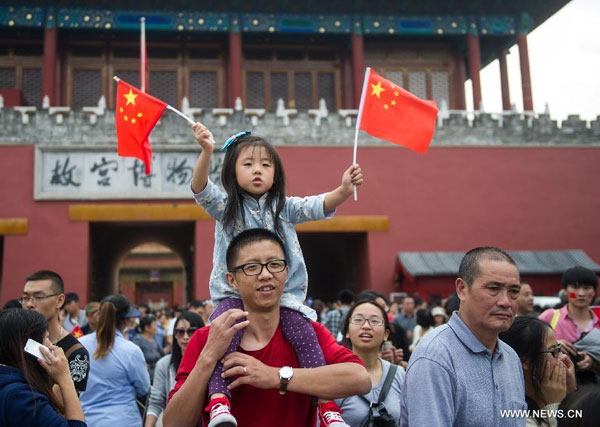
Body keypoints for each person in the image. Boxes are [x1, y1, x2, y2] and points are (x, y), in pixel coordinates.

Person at [189, 124, 364, 426]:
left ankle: (327, 407)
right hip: (233, 297)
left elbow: (316, 206)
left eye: (265, 165)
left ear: (276, 173)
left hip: (284, 297)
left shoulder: (284, 207)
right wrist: (206, 151)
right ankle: (219, 401)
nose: (257, 171)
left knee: (306, 338)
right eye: (248, 164)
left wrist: (344, 190)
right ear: (232, 173)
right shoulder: (226, 207)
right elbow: (200, 190)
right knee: (223, 340)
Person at [164, 228, 371, 427]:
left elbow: (360, 379)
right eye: (252, 267)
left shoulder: (308, 334)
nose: (265, 274)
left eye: (274, 264)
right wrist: (209, 356)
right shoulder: (206, 338)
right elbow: (174, 423)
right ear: (232, 280)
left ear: (286, 272)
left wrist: (274, 376)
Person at [401, 246, 526, 426]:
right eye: (493, 288)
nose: (506, 302)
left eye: (513, 291)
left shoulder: (511, 358)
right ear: (461, 289)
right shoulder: (435, 357)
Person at [0, 308, 86, 426]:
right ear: (31, 345)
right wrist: (66, 379)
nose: (51, 345)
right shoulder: (22, 398)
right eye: (46, 338)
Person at [79, 294, 150, 427]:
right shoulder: (131, 350)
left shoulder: (80, 345)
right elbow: (143, 388)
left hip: (87, 419)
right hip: (124, 420)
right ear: (126, 320)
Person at [335, 300, 405, 426]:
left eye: (374, 321)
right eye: (358, 320)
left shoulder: (398, 374)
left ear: (386, 334)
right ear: (347, 331)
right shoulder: (334, 375)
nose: (366, 326)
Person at [20, 270, 90, 393]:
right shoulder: (13, 339)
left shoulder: (75, 352)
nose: (29, 304)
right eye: (25, 298)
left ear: (60, 301)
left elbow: (64, 406)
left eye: (39, 297)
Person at [500, 316, 577, 426]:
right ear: (526, 361)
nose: (562, 358)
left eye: (559, 349)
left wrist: (570, 394)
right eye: (553, 351)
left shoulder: (548, 400)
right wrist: (555, 406)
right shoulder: (518, 417)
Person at [538, 266, 600, 384]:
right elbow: (530, 344)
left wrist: (594, 361)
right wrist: (553, 345)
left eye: (587, 288)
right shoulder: (550, 317)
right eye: (575, 287)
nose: (581, 293)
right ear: (566, 291)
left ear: (594, 292)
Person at [145, 311, 205, 427]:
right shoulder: (164, 364)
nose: (185, 337)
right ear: (174, 335)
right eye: (180, 332)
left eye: (191, 331)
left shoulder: (210, 362)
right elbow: (156, 401)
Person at [133, 314, 164, 381]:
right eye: (154, 325)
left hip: (157, 372)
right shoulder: (138, 340)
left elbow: (161, 353)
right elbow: (133, 357)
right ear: (147, 327)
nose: (156, 328)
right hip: (146, 375)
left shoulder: (154, 339)